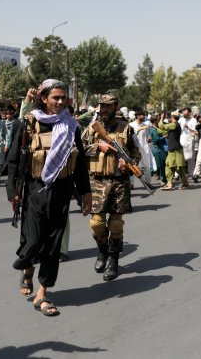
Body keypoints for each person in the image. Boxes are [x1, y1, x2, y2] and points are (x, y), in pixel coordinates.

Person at [7, 79, 92, 316]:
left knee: (53, 245)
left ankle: (42, 294)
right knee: (32, 241)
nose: (60, 102)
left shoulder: (71, 126)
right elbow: (14, 161)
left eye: (63, 98)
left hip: (61, 191)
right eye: (55, 97)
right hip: (34, 190)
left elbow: (80, 163)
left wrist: (85, 193)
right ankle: (26, 267)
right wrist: (12, 191)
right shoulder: (28, 123)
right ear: (44, 98)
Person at [82, 93, 141, 281]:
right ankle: (102, 251)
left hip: (118, 182)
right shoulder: (92, 128)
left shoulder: (126, 129)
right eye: (102, 106)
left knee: (115, 224)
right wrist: (97, 147)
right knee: (96, 223)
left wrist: (129, 163)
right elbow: (79, 148)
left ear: (116, 106)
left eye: (109, 106)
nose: (105, 109)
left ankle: (114, 260)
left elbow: (135, 153)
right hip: (96, 181)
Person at [159, 113, 190, 190]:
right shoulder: (172, 126)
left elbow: (161, 126)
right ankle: (170, 183)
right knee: (170, 166)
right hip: (173, 149)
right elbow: (161, 131)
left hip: (176, 149)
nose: (169, 118)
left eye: (170, 117)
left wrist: (161, 119)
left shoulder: (174, 125)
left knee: (178, 168)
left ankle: (182, 183)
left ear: (173, 117)